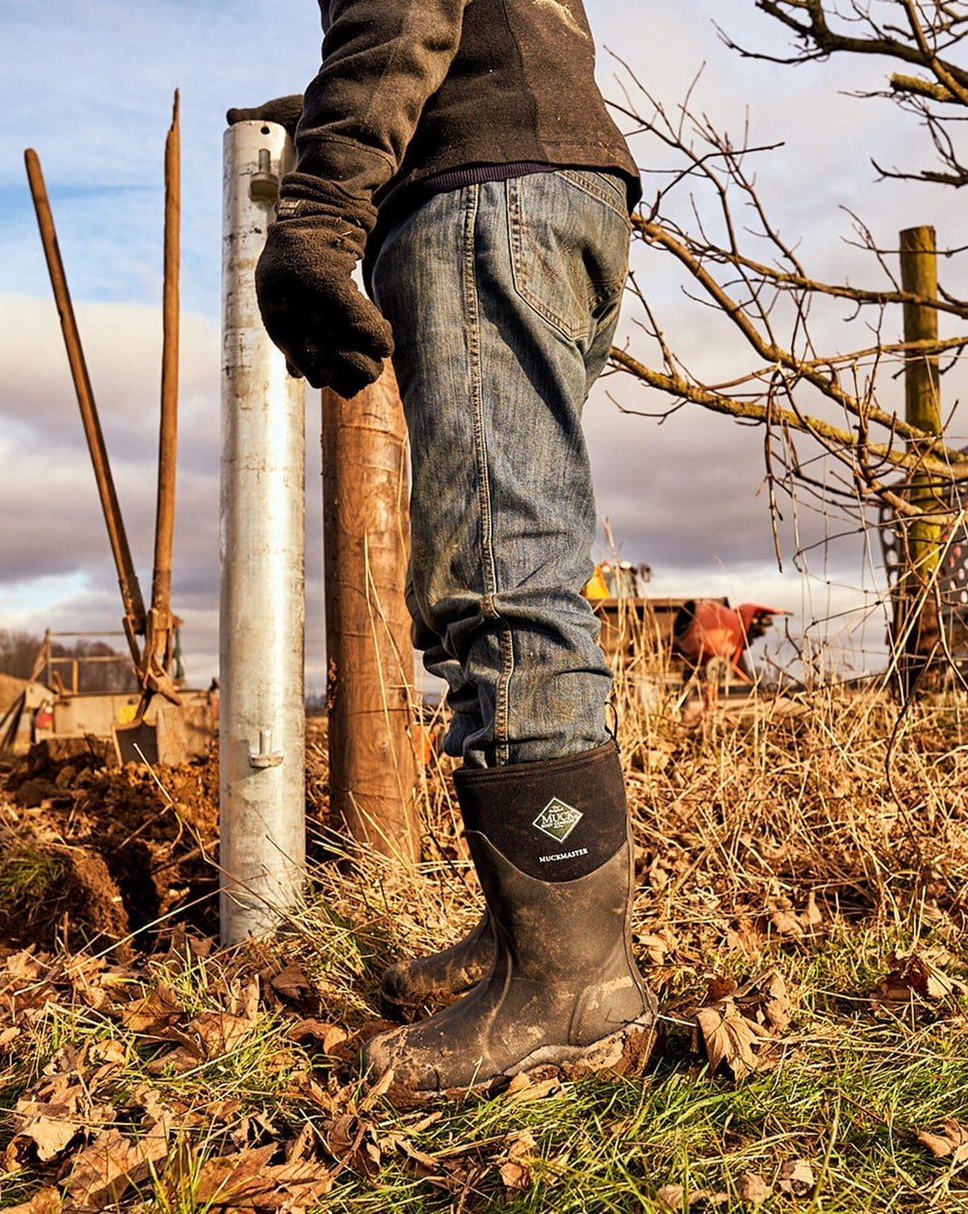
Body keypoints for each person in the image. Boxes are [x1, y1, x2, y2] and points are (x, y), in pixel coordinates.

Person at [230, 0, 655, 1098]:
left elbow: (401, 10)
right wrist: (335, 122)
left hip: (485, 196)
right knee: (497, 558)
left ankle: (572, 991)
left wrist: (322, 204)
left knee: (502, 575)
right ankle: (530, 934)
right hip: (546, 181)